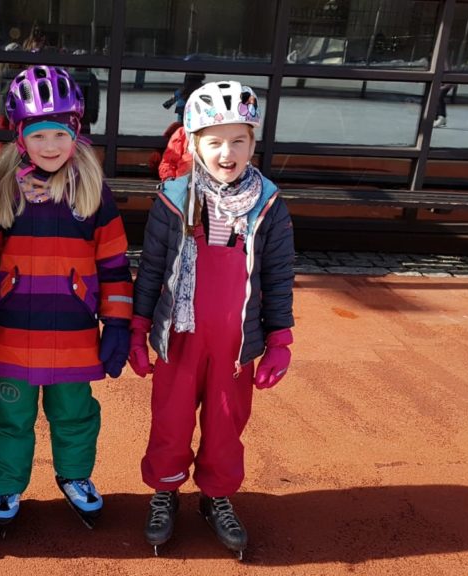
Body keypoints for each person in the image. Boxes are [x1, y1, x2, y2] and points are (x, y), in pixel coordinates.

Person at [128, 80, 295, 557]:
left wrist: (279, 340)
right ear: (194, 142)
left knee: (226, 425)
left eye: (239, 140)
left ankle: (216, 495)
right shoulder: (172, 199)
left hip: (236, 345)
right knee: (170, 422)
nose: (228, 152)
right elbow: (152, 271)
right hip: (180, 339)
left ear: (253, 143)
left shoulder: (268, 203)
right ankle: (166, 491)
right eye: (215, 140)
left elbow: (279, 275)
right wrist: (139, 331)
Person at [0, 65, 133, 529]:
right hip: (12, 335)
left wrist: (119, 324)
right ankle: (6, 485)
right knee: (10, 418)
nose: (50, 146)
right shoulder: (2, 189)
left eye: (59, 134)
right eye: (39, 135)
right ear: (20, 137)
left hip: (74, 337)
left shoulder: (93, 192)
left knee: (75, 413)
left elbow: (113, 264)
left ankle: (75, 476)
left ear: (76, 133)